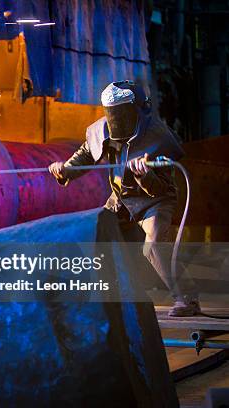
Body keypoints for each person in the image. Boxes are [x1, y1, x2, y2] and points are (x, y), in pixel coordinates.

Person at [48, 80, 199, 317]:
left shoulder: (157, 137)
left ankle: (186, 298)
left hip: (154, 200)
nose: (116, 121)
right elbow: (87, 153)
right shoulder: (103, 129)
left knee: (153, 245)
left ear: (137, 109)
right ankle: (116, 296)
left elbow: (160, 189)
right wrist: (65, 169)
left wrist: (144, 176)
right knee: (97, 235)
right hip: (120, 198)